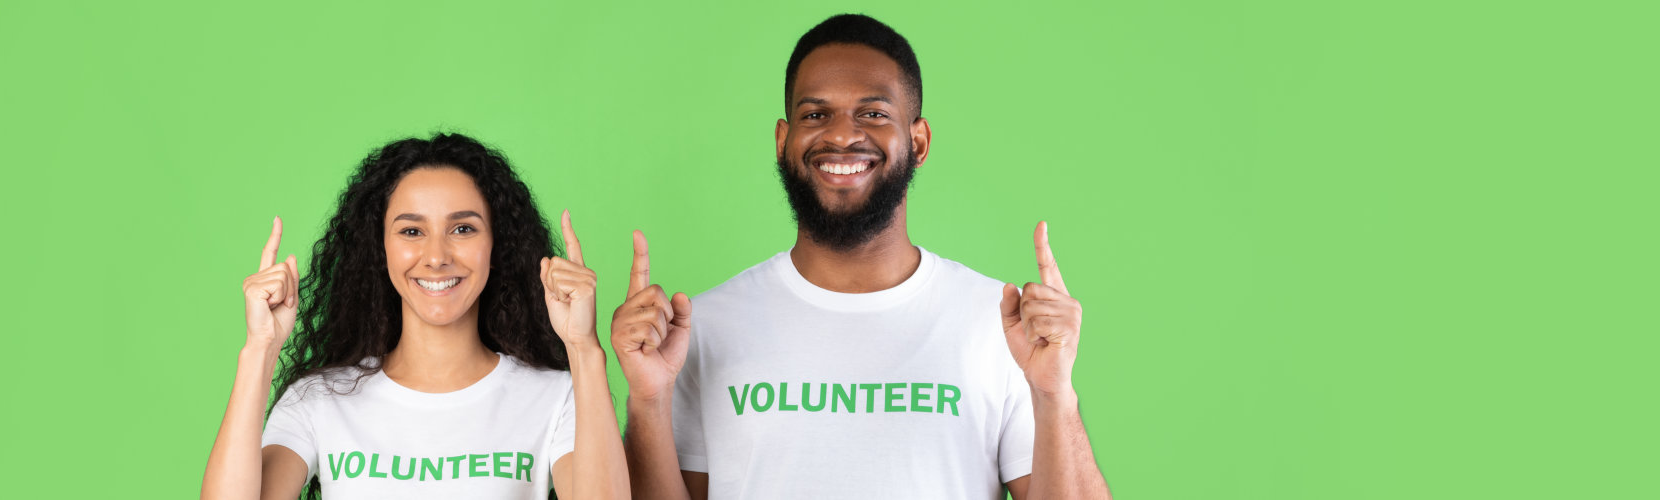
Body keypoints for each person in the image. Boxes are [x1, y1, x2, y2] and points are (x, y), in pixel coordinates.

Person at [613, 14, 1112, 499]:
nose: (841, 135)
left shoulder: (1002, 326)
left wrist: (1054, 397)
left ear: (918, 141)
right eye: (816, 114)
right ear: (784, 142)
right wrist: (649, 399)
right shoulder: (701, 329)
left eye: (872, 113)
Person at [199, 133, 629, 499]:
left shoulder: (556, 396)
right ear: (380, 248)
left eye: (463, 228)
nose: (437, 256)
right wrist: (260, 349)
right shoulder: (319, 400)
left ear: (496, 246)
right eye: (411, 231)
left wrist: (582, 348)